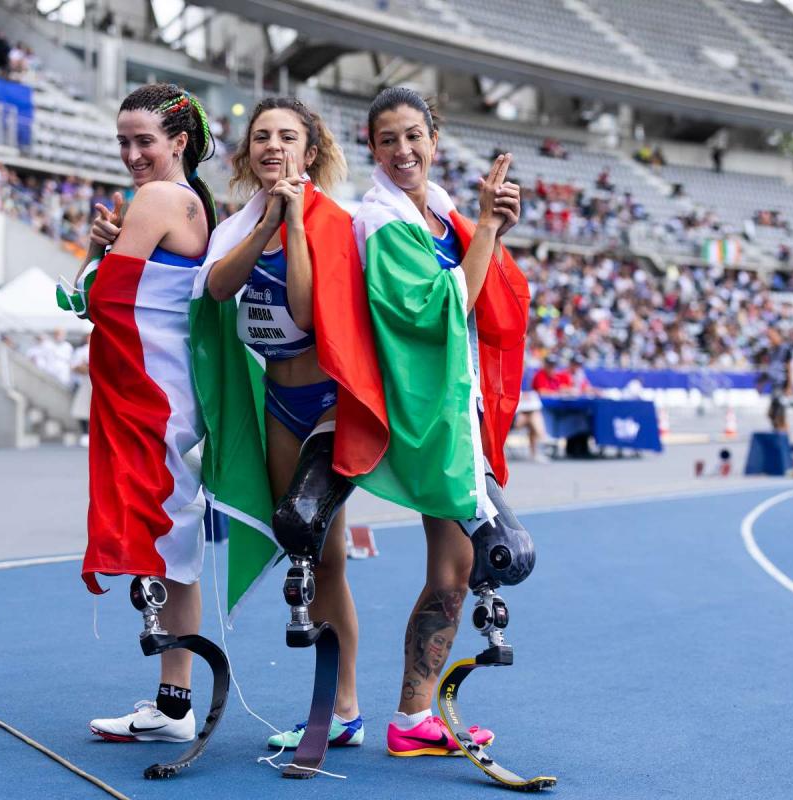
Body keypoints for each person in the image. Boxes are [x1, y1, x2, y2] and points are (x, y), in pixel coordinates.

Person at [352, 88, 530, 758]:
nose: (403, 151)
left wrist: (488, 226)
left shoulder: (437, 213)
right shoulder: (382, 219)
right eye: (388, 140)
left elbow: (477, 286)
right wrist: (483, 229)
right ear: (372, 148)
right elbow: (437, 309)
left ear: (435, 136)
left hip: (457, 407)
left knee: (454, 573)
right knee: (501, 554)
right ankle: (394, 715)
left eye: (413, 136)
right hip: (426, 413)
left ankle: (412, 718)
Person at [201, 96, 374, 750]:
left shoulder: (337, 222)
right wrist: (267, 220)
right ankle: (336, 705)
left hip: (330, 406)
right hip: (276, 403)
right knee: (312, 550)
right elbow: (218, 288)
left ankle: (345, 703)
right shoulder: (241, 221)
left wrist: (295, 221)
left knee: (323, 548)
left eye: (287, 136)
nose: (273, 145)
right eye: (261, 136)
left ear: (310, 149)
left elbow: (304, 312)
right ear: (247, 154)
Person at [71, 83, 219, 746]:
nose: (132, 154)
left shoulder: (158, 198)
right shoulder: (188, 202)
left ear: (179, 142)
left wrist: (98, 255)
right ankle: (173, 701)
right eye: (123, 141)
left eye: (144, 142)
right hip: (170, 394)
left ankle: (176, 706)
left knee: (171, 545)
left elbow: (98, 296)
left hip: (154, 397)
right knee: (172, 548)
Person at [756, 327, 793, 433]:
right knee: (772, 414)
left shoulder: (785, 349)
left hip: (782, 385)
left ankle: (784, 438)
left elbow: (789, 368)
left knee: (779, 415)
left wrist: (790, 386)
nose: (770, 339)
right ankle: (778, 434)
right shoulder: (772, 351)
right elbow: (770, 370)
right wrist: (761, 382)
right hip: (775, 385)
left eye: (771, 336)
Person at [69, 332, 91, 446]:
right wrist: (85, 367)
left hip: (98, 383)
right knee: (82, 408)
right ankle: (85, 433)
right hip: (85, 381)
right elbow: (74, 366)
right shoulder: (81, 351)